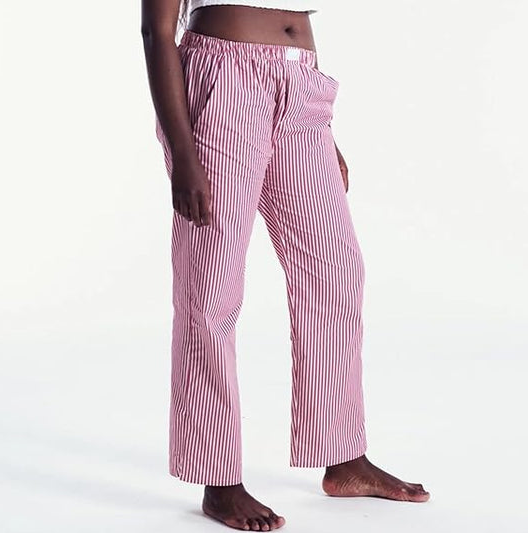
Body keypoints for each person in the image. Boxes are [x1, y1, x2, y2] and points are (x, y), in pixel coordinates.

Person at [141, 1, 430, 530]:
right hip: (223, 82)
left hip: (302, 90)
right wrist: (182, 151)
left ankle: (343, 456)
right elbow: (157, 33)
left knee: (336, 273)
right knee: (211, 288)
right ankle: (218, 479)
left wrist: (321, 131)